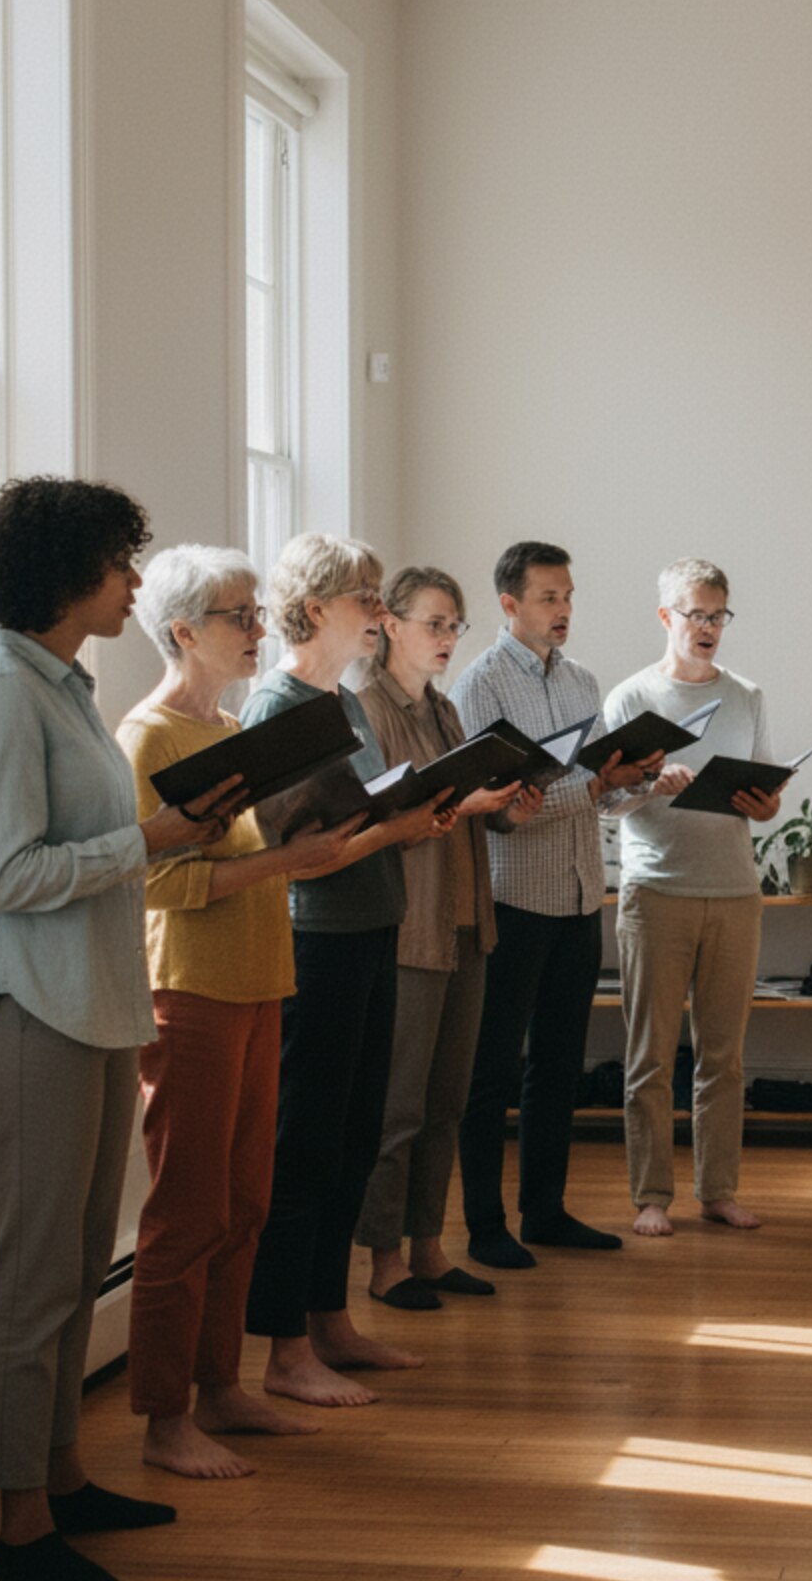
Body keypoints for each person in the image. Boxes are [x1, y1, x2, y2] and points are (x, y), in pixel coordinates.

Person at [0, 477, 237, 1581]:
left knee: (73, 1265)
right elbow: (9, 875)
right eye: (120, 563)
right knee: (32, 1275)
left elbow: (98, 849)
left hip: (96, 1003)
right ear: (68, 573)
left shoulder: (63, 690)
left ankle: (60, 1476)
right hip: (30, 1010)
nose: (133, 582)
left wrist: (169, 835)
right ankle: (21, 1526)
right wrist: (150, 838)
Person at [117, 545, 361, 1479]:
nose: (260, 628)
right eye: (240, 615)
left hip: (262, 981)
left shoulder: (226, 728)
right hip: (191, 991)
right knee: (186, 1211)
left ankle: (220, 1387)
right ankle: (164, 1417)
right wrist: (283, 862)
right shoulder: (149, 737)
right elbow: (152, 883)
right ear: (184, 631)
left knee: (246, 1202)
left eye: (258, 611)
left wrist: (316, 844)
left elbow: (242, 859)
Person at [239, 534, 455, 1406]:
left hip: (373, 928)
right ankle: (285, 1350)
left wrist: (410, 814)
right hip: (316, 941)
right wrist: (399, 828)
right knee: (306, 1145)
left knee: (356, 1138)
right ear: (313, 608)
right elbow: (295, 857)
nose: (377, 610)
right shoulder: (275, 706)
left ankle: (330, 1322)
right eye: (364, 596)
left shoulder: (347, 702)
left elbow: (360, 813)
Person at [452, 542, 646, 1270]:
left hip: (578, 895)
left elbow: (600, 795)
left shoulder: (582, 680)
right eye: (548, 598)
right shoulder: (480, 686)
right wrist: (594, 788)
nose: (563, 610)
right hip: (513, 899)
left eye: (567, 596)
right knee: (492, 1070)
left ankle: (546, 1211)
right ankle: (483, 1225)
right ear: (510, 604)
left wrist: (633, 781)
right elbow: (502, 809)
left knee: (560, 1066)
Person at [356, 567, 544, 1309]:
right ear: (390, 624)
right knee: (398, 1107)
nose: (447, 638)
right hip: (410, 928)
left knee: (448, 1103)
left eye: (454, 625)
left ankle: (429, 1248)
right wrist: (465, 805)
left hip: (468, 924)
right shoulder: (366, 707)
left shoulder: (444, 708)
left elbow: (465, 808)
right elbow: (376, 826)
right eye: (434, 623)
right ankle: (384, 1262)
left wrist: (506, 811)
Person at [604, 558, 781, 1238]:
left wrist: (765, 803)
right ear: (665, 617)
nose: (708, 627)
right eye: (695, 614)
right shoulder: (631, 698)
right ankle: (652, 1196)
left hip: (735, 892)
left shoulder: (747, 696)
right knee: (650, 1055)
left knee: (724, 1058)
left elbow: (765, 801)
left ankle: (718, 1191)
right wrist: (651, 784)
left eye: (718, 615)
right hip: (657, 893)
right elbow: (606, 801)